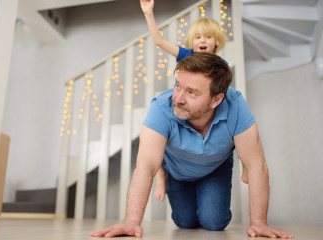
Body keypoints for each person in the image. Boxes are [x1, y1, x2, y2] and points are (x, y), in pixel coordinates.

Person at [89, 52, 294, 238]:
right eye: (178, 85)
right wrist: (131, 222)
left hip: (215, 168)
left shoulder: (236, 107)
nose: (177, 98)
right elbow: (145, 167)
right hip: (177, 171)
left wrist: (259, 222)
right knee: (184, 222)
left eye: (191, 92)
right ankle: (173, 183)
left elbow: (257, 165)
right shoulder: (161, 107)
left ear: (216, 100)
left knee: (214, 223)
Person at [140, 0, 229, 201]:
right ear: (192, 41)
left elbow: (224, 94)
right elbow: (159, 41)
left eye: (208, 36)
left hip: (203, 114)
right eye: (197, 37)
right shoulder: (187, 55)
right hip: (183, 109)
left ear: (216, 41)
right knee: (166, 136)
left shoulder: (220, 64)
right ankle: (162, 172)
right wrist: (149, 14)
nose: (202, 40)